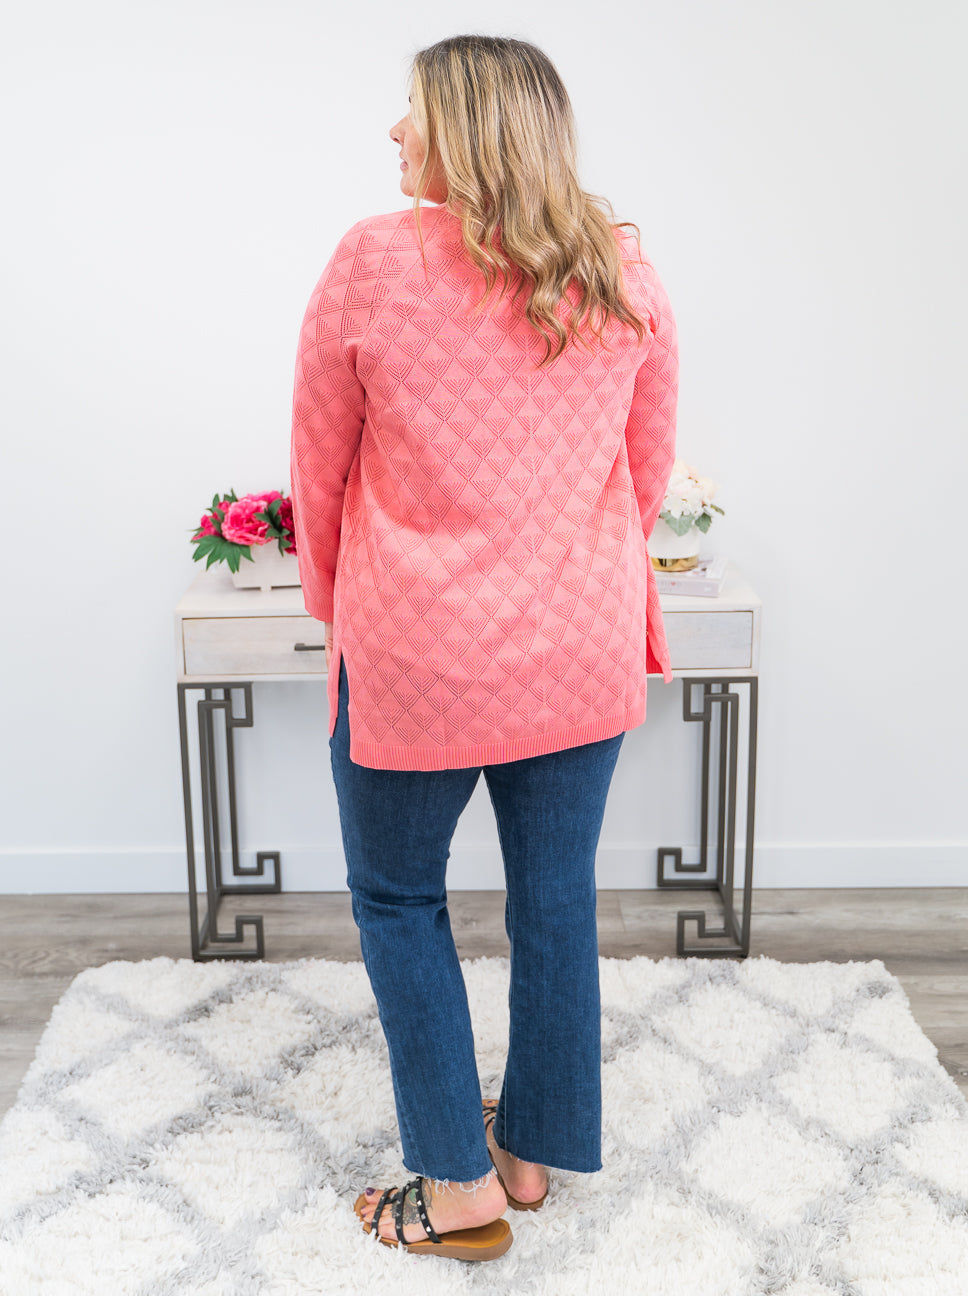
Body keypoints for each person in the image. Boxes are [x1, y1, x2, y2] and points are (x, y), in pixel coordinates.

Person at [288, 33, 678, 1262]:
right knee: (553, 898)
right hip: (579, 648)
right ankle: (527, 1156)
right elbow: (644, 467)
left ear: (462, 128)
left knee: (399, 899)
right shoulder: (618, 266)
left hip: (418, 657)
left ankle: (456, 1187)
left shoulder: (371, 261)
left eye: (409, 111)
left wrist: (341, 610)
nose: (393, 132)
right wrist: (579, 567)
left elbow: (318, 469)